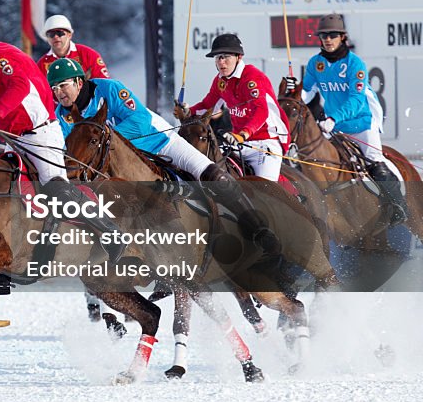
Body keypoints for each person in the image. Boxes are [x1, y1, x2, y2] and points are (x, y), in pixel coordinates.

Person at [48, 58, 280, 255]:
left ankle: (260, 231)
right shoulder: (62, 116)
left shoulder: (108, 89)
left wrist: (108, 140)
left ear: (79, 82)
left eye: (63, 86)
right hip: (123, 166)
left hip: (160, 142)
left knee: (214, 175)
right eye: (54, 88)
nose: (59, 93)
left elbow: (140, 121)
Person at [0, 12, 122, 258]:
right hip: (17, 139)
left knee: (55, 190)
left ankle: (111, 233)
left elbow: (20, 87)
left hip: (40, 135)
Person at [283, 13, 408, 225]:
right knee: (310, 164)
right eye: (324, 35)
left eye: (333, 35)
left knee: (376, 164)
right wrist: (293, 91)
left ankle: (398, 206)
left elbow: (356, 99)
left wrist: (333, 117)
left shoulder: (354, 64)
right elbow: (306, 93)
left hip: (360, 125)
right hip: (333, 128)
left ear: (343, 37)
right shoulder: (316, 64)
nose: (328, 39)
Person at [174, 34, 288, 182]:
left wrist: (243, 134)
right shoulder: (220, 81)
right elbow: (208, 105)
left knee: (265, 192)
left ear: (238, 57)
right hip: (238, 142)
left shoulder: (252, 77)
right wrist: (188, 112)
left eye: (226, 56)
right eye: (218, 57)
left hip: (266, 142)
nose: (221, 62)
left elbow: (261, 111)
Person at [36, 14, 111, 79]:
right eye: (51, 34)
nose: (55, 37)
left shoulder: (88, 54)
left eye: (60, 33)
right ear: (47, 38)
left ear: (69, 35)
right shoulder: (42, 65)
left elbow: (105, 84)